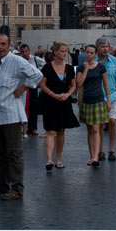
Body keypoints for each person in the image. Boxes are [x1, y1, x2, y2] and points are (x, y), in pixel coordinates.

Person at [0, 34, 43, 201]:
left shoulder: (17, 61)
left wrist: (23, 89)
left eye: (3, 44)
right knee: (0, 152)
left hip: (12, 114)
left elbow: (37, 75)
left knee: (14, 152)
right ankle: (1, 184)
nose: (0, 47)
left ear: (9, 45)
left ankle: (17, 188)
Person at [38, 41, 79, 170]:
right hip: (50, 101)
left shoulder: (69, 68)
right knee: (50, 130)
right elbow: (42, 85)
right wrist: (52, 94)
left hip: (64, 101)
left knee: (61, 131)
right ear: (55, 52)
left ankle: (58, 159)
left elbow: (73, 85)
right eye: (62, 51)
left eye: (65, 51)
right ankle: (49, 159)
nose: (64, 53)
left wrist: (68, 94)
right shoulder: (47, 67)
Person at [75, 44, 109, 167]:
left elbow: (105, 84)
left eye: (91, 53)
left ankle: (96, 156)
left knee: (96, 129)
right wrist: (85, 69)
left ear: (95, 54)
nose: (88, 55)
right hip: (86, 100)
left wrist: (108, 100)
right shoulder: (80, 67)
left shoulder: (101, 67)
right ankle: (91, 155)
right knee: (89, 130)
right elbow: (79, 84)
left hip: (98, 99)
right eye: (87, 52)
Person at [95, 36, 116, 161]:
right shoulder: (94, 62)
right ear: (97, 48)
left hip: (113, 95)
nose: (105, 49)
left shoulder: (115, 62)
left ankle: (111, 149)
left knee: (113, 121)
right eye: (102, 47)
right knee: (100, 124)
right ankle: (100, 150)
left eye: (107, 46)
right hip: (98, 96)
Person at [19, 44, 44, 136]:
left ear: (29, 51)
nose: (25, 53)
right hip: (23, 86)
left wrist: (40, 75)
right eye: (23, 52)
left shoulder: (35, 59)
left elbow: (45, 64)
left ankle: (33, 128)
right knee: (23, 107)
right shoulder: (19, 60)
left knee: (33, 107)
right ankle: (25, 127)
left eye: (26, 51)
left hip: (33, 86)